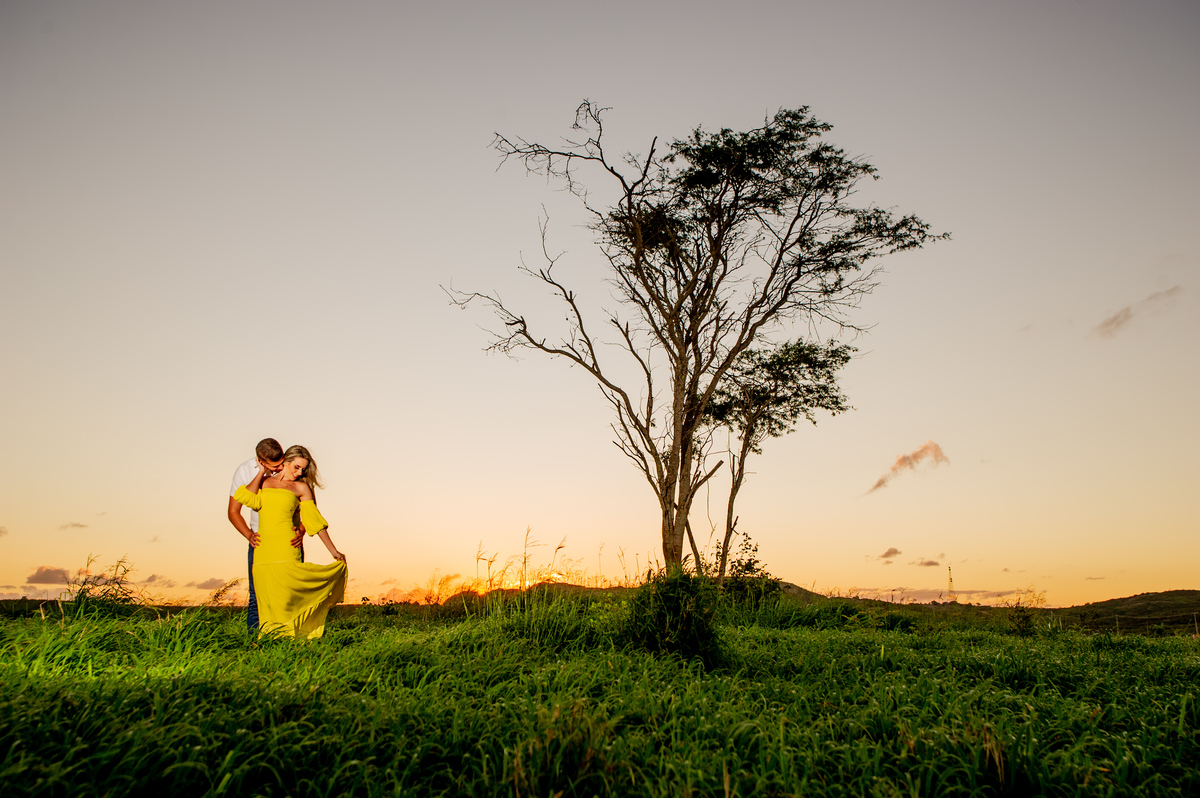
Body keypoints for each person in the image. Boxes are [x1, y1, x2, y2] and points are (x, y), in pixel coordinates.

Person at [232, 444, 347, 639]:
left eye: (303, 469)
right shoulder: (264, 482)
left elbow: (314, 520)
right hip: (263, 549)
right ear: (284, 462)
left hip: (287, 547)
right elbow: (244, 498)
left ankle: (290, 640)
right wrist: (261, 472)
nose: (299, 472)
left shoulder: (302, 488)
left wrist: (333, 551)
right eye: (296, 467)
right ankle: (263, 642)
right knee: (263, 599)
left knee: (288, 598)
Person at [227, 438, 303, 634]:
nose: (279, 468)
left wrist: (301, 531)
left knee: (291, 592)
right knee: (256, 596)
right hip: (261, 542)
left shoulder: (293, 469)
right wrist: (249, 535)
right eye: (274, 465)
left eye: (281, 462)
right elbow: (234, 511)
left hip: (288, 542)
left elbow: (309, 510)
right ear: (261, 460)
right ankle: (255, 642)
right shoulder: (245, 471)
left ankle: (293, 641)